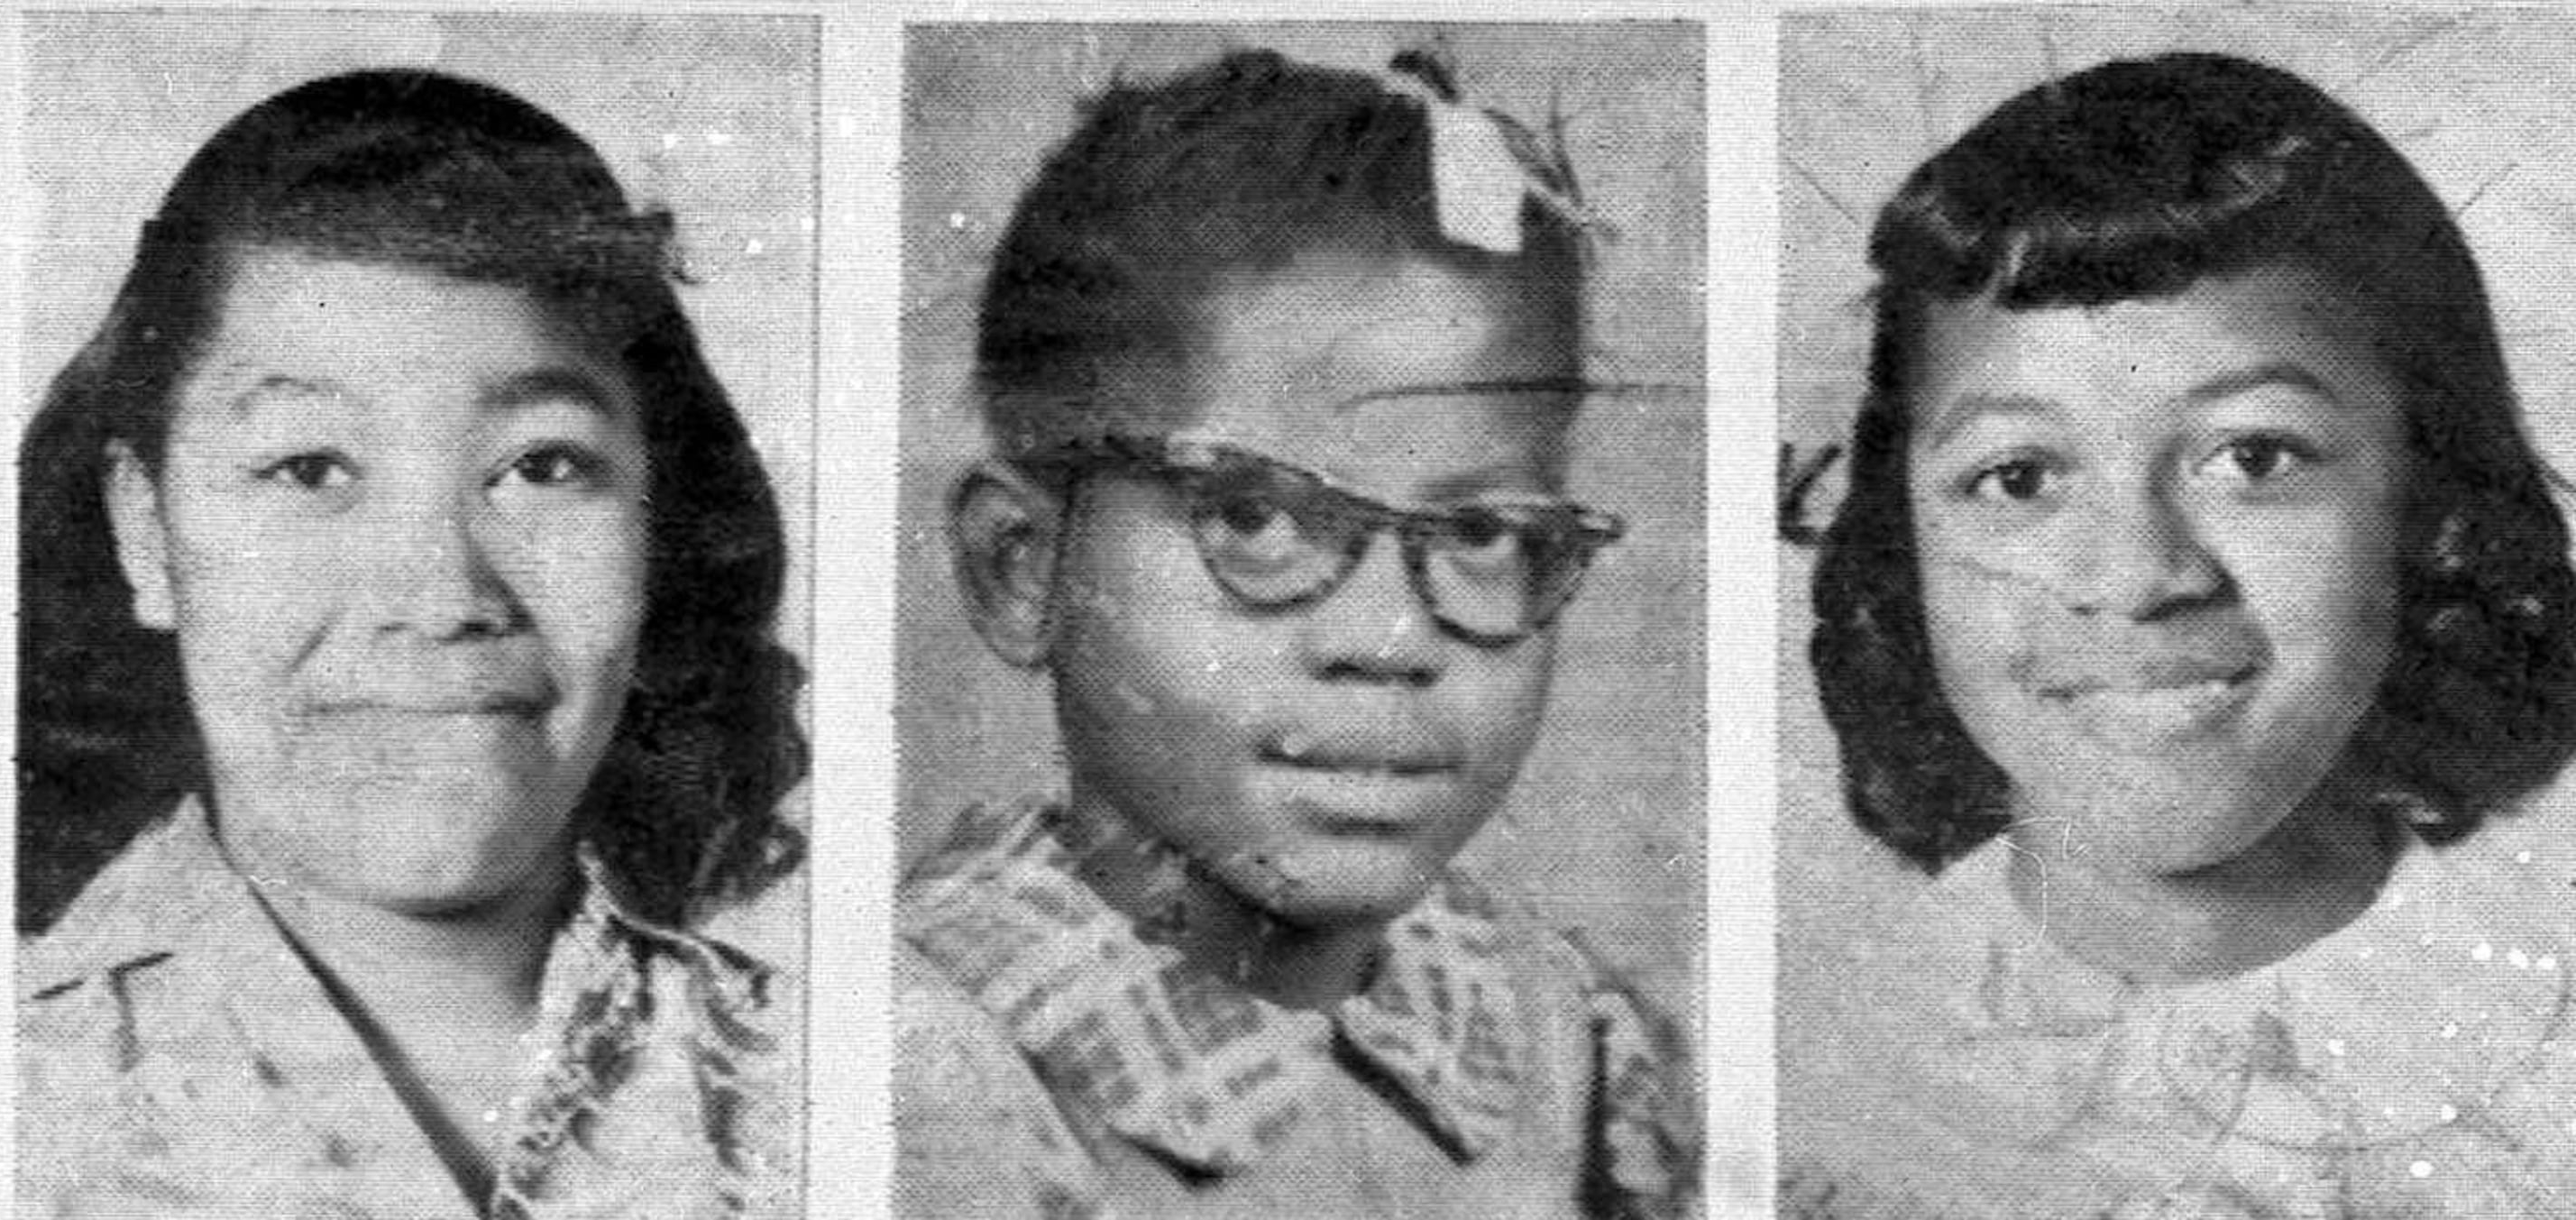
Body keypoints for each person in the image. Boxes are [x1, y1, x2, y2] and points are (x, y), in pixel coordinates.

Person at [899, 48, 1695, 1218]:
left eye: (1480, 529)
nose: (1387, 637)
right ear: (1024, 565)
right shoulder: (910, 1073)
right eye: (1255, 516)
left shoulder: (1567, 1035)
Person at [1792, 51, 2576, 1217]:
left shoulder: (2544, 1063)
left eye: (2253, 458)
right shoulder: (1828, 1091)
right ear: (1902, 540)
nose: (2140, 575)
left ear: (2431, 502)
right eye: (2018, 476)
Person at [14, 69, 808, 1219]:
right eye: (311, 468)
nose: (443, 594)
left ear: (656, 514)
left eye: (542, 466)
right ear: (147, 532)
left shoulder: (861, 1075)